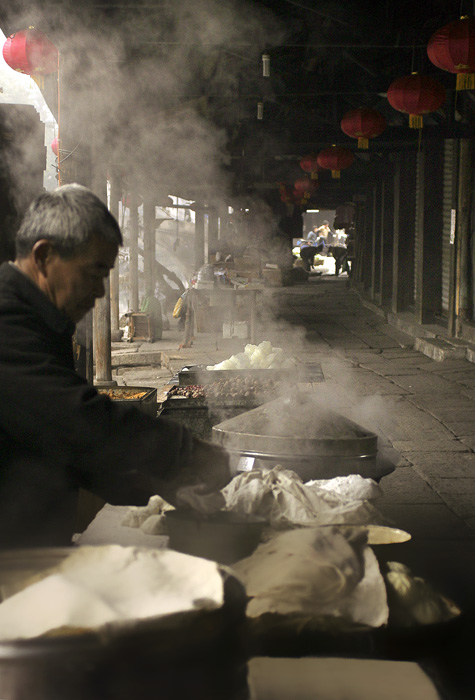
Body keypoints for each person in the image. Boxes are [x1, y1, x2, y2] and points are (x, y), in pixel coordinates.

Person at [0, 184, 231, 548]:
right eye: (93, 273)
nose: (100, 292)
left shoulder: (39, 317)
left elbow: (63, 446)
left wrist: (160, 484)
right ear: (43, 256)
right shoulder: (7, 317)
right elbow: (71, 419)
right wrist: (182, 452)